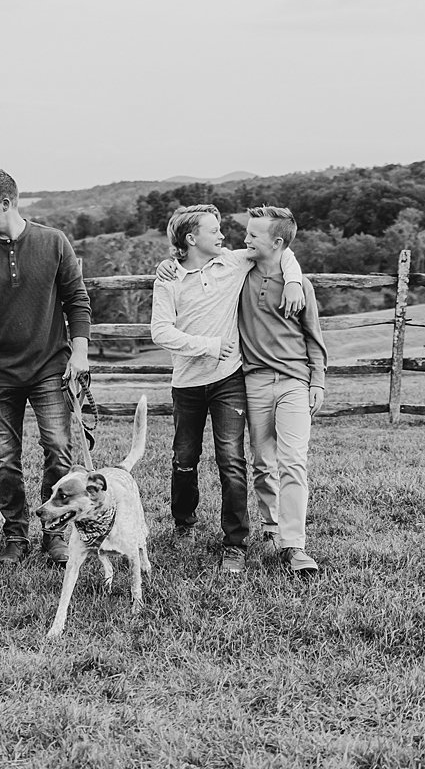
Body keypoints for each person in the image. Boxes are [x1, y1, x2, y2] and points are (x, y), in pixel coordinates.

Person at [150, 204, 306, 574]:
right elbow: (160, 332)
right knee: (184, 459)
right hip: (186, 384)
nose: (223, 236)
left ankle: (235, 543)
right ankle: (183, 524)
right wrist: (207, 345)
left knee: (231, 462)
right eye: (214, 230)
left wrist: (296, 280)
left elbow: (282, 250)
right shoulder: (168, 279)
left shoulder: (233, 262)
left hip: (228, 381)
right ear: (191, 239)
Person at [0, 168, 92, 566]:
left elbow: (76, 301)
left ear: (6, 203)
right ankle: (15, 533)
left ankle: (54, 533)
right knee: (5, 460)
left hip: (51, 368)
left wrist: (79, 354)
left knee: (59, 452)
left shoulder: (53, 242)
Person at [238, 206, 327, 577]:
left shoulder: (299, 284)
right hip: (253, 381)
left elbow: (313, 336)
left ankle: (294, 545)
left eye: (253, 235)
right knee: (262, 463)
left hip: (294, 381)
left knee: (293, 461)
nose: (245, 239)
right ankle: (271, 526)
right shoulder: (238, 275)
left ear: (276, 242)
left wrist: (318, 379)